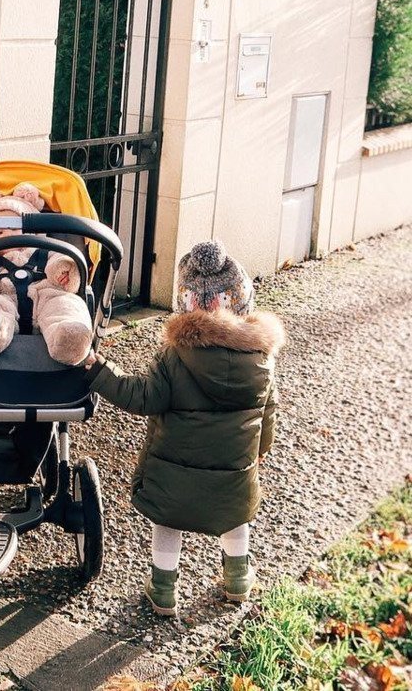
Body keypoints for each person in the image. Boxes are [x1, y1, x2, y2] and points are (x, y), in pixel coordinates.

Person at [82, 240, 284, 615]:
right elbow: (267, 416)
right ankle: (238, 580)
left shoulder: (175, 357)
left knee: (168, 521)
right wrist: (257, 453)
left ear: (186, 305)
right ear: (242, 304)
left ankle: (163, 589)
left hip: (173, 470)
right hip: (234, 470)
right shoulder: (261, 361)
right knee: (235, 516)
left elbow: (143, 397)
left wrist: (99, 371)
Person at [0, 183, 93, 365]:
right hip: (5, 297)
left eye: (14, 228)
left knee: (65, 304)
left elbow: (62, 261)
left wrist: (64, 272)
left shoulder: (45, 252)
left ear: (31, 232)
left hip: (46, 296)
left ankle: (68, 339)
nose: (7, 235)